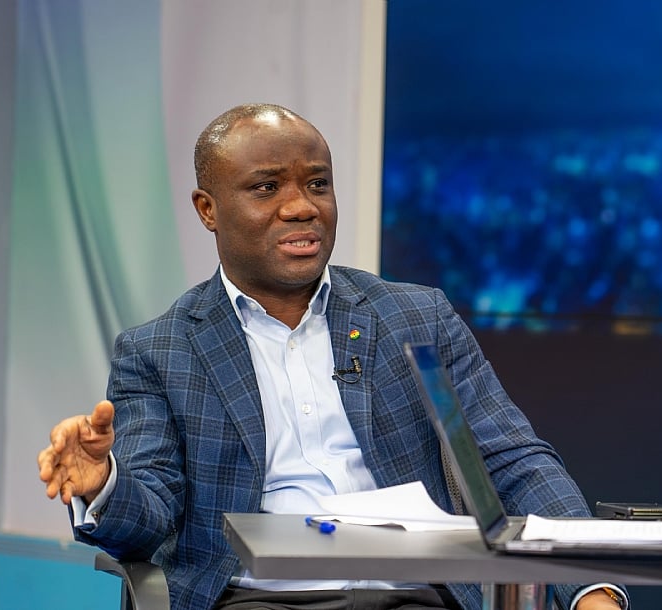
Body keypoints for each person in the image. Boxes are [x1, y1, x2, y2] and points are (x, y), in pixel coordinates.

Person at [38, 103, 628, 610]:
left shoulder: (416, 317)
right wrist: (104, 484)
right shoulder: (160, 351)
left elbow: (513, 461)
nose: (302, 207)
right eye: (267, 188)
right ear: (207, 209)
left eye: (317, 184)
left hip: (419, 596)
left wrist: (589, 587)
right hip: (259, 599)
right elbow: (146, 523)